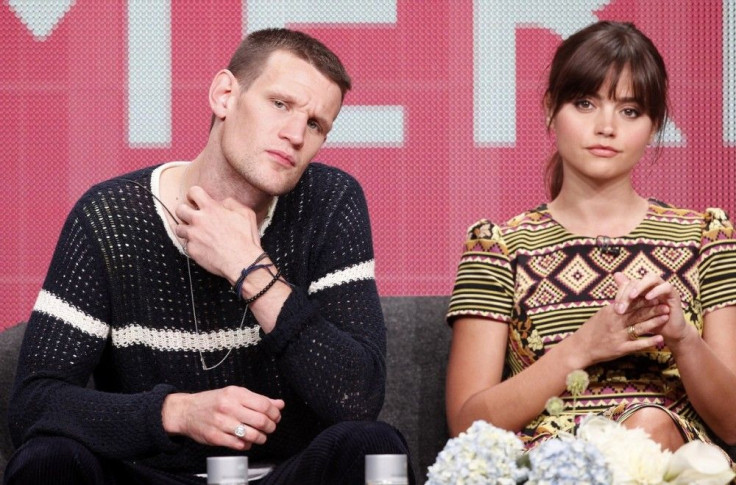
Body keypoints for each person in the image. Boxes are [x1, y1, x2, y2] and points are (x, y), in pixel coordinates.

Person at [5, 28, 415, 485]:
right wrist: (175, 411)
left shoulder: (329, 202)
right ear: (224, 95)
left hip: (286, 475)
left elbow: (357, 398)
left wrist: (248, 267)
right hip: (149, 476)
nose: (296, 134)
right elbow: (34, 405)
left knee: (374, 447)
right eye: (280, 104)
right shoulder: (110, 218)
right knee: (49, 457)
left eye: (317, 124)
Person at [445, 21, 736, 457]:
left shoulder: (705, 237)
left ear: (655, 124)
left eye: (630, 110)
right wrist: (583, 346)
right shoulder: (499, 247)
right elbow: (467, 430)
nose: (606, 127)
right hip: (549, 465)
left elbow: (732, 426)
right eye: (585, 103)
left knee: (649, 424)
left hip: (673, 465)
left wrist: (682, 337)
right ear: (550, 109)